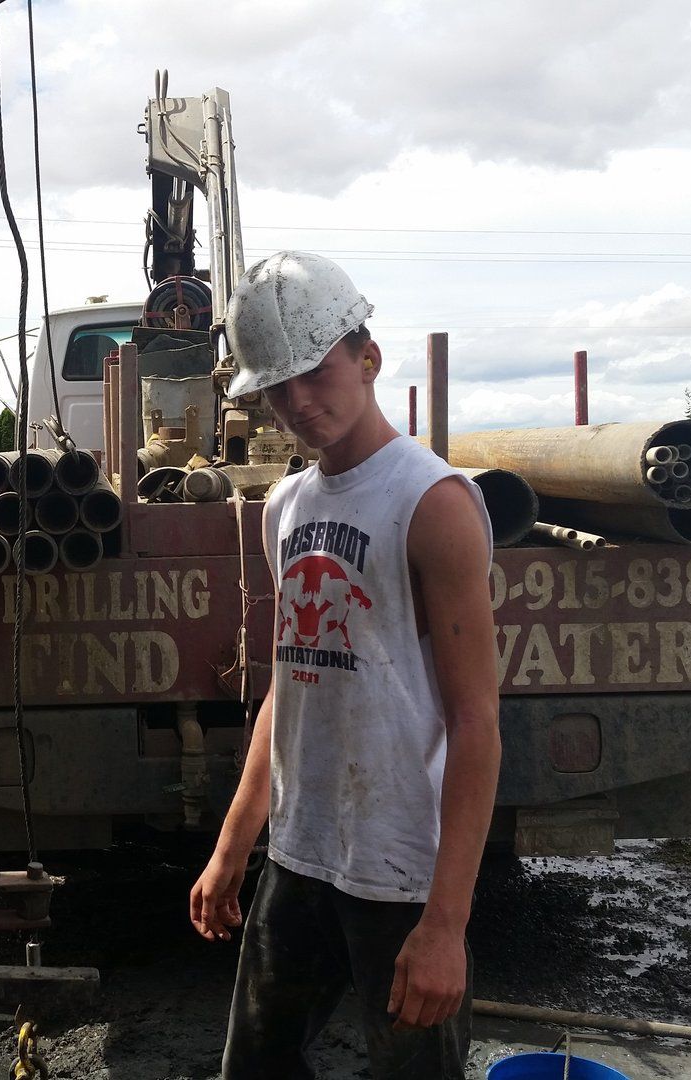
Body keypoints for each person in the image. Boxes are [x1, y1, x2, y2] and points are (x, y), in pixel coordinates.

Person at [189, 251, 501, 1079]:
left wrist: (445, 925)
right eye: (276, 386)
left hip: (399, 874)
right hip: (300, 857)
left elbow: (476, 724)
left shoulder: (432, 503)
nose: (297, 402)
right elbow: (286, 693)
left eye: (316, 373)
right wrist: (232, 847)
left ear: (368, 358)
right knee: (255, 1069)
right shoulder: (284, 507)